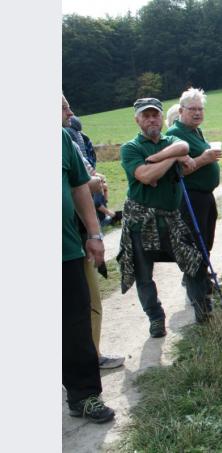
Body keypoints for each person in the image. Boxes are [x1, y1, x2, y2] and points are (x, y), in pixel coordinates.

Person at [117, 98, 208, 337]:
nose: (151, 120)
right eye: (145, 116)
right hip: (141, 221)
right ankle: (156, 318)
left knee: (193, 262)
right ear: (137, 119)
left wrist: (157, 159)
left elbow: (184, 149)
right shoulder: (130, 148)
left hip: (171, 217)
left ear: (161, 117)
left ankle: (202, 309)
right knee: (144, 274)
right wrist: (171, 160)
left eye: (155, 115)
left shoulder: (171, 140)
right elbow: (145, 177)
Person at [62, 96, 117, 424]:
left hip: (65, 248)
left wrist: (94, 234)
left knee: (76, 321)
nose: (69, 112)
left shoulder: (61, 139)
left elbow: (80, 187)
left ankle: (84, 396)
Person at [166, 88, 222, 304]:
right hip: (190, 198)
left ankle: (204, 284)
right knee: (194, 247)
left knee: (205, 243)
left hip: (204, 196)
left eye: (201, 109)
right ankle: (199, 300)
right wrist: (204, 159)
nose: (198, 113)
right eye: (193, 109)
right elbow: (177, 171)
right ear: (181, 110)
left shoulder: (195, 131)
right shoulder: (174, 135)